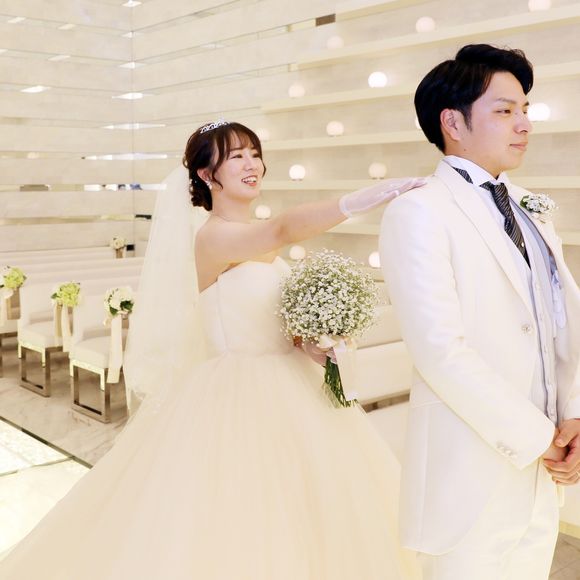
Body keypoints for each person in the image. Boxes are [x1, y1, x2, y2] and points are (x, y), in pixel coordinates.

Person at [0, 120, 425, 579]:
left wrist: (314, 346)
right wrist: (357, 201)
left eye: (255, 154)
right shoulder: (212, 237)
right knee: (241, 516)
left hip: (294, 387)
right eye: (236, 156)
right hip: (235, 396)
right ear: (207, 175)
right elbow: (282, 229)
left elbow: (272, 319)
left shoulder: (256, 236)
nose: (252, 164)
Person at [379, 44, 580, 580]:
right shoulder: (419, 211)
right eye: (505, 110)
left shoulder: (531, 208)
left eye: (525, 109)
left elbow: (562, 324)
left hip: (541, 479)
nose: (525, 124)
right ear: (453, 122)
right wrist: (540, 438)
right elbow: (439, 351)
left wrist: (574, 415)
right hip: (467, 475)